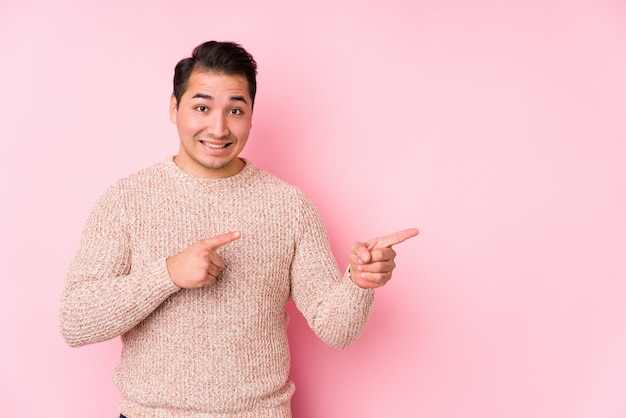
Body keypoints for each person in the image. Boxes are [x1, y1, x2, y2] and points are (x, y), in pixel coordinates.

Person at [60, 40, 418, 418]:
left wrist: (358, 284)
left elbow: (336, 330)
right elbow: (76, 321)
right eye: (202, 107)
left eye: (235, 110)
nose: (218, 127)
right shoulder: (125, 200)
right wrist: (168, 274)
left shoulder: (289, 206)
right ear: (173, 107)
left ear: (250, 115)